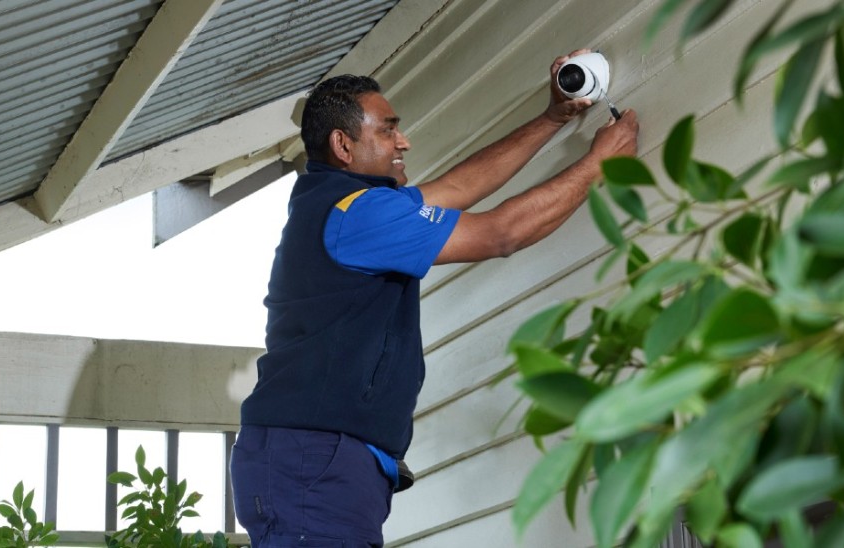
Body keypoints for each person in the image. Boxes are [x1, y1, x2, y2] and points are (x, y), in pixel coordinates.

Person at [230, 49, 640, 547]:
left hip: (321, 458)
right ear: (343, 144)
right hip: (314, 458)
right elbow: (501, 233)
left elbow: (458, 187)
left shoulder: (348, 205)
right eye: (387, 129)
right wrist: (598, 166)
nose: (403, 140)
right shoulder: (356, 216)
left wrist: (554, 117)